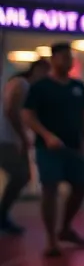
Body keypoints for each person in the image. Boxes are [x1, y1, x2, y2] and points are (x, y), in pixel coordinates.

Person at [21, 45, 84, 258]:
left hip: (74, 147)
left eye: (70, 57)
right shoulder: (40, 87)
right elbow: (28, 115)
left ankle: (65, 228)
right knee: (50, 189)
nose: (68, 61)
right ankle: (51, 239)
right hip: (49, 148)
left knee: (80, 188)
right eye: (63, 57)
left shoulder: (78, 86)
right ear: (53, 60)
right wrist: (46, 135)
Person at [1, 58, 49, 235]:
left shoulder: (27, 88)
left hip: (9, 138)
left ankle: (3, 214)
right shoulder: (21, 84)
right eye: (43, 71)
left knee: (22, 175)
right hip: (6, 139)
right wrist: (22, 137)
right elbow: (11, 111)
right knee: (21, 174)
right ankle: (2, 215)